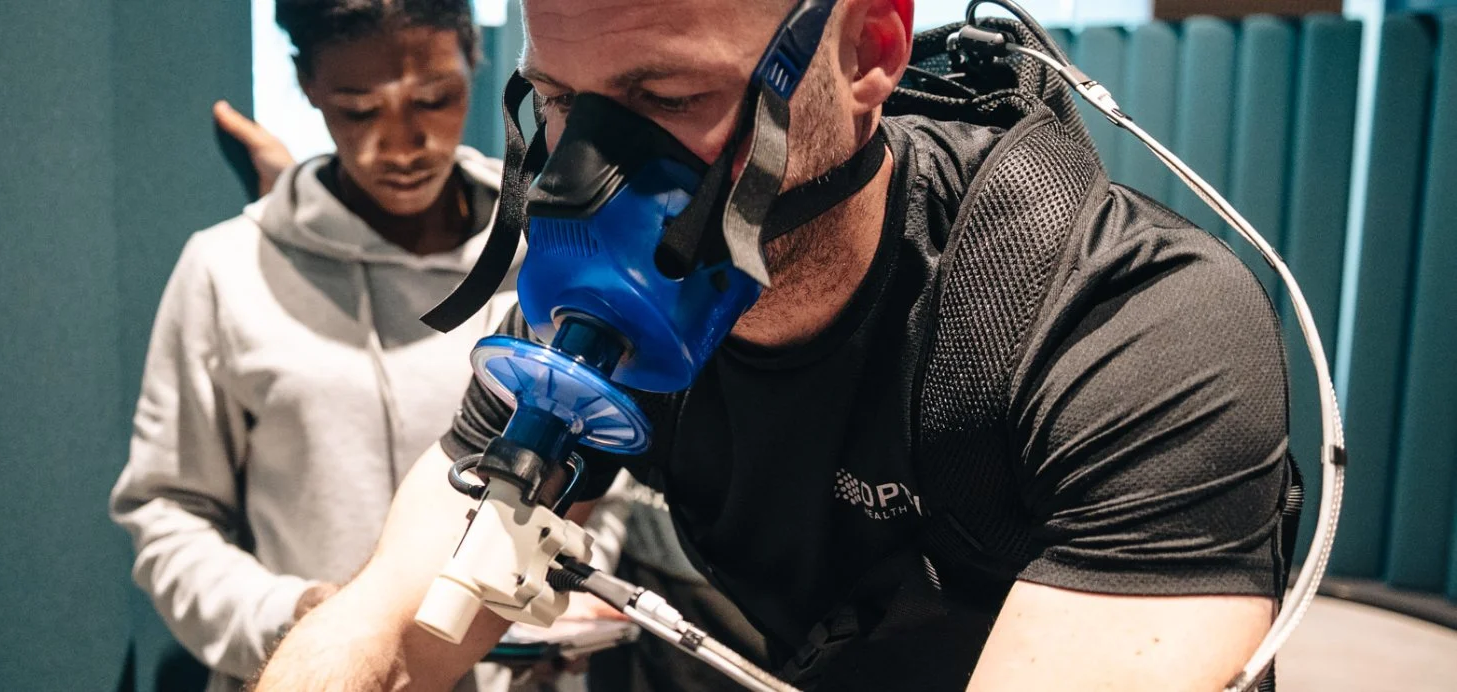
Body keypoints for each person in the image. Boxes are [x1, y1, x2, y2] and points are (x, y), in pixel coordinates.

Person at [255, 1, 1298, 690]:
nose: (590, 178)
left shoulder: (1132, 334)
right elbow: (395, 621)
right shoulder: (599, 319)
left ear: (869, 52)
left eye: (668, 99)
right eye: (565, 102)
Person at [108, 2, 627, 691]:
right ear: (308, 84)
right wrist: (300, 617)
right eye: (358, 110)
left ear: (476, 60)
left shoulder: (549, 259)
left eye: (435, 100)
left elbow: (601, 471)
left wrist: (556, 598)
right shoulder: (225, 270)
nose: (402, 144)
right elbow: (170, 513)